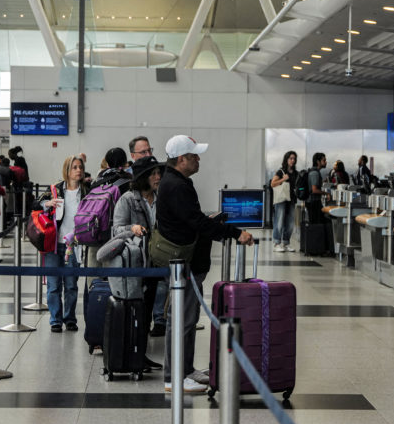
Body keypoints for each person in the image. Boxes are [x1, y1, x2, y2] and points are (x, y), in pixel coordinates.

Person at [158, 135, 253, 393]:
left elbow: (192, 219)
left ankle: (185, 369)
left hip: (188, 261)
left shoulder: (177, 182)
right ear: (181, 159)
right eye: (194, 155)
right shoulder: (176, 186)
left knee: (187, 319)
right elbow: (196, 223)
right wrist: (234, 233)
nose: (199, 159)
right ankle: (173, 377)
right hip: (183, 263)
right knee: (180, 320)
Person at [110, 155, 164, 370]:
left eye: (159, 173)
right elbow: (116, 229)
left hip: (154, 262)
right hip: (134, 263)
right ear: (143, 177)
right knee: (136, 311)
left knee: (148, 309)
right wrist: (132, 228)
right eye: (153, 173)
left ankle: (140, 354)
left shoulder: (160, 197)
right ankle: (133, 355)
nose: (158, 177)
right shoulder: (127, 200)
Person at [38, 155, 86, 333]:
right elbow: (36, 204)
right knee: (53, 285)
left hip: (74, 244)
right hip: (54, 243)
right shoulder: (56, 189)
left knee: (72, 284)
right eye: (74, 167)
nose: (78, 170)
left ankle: (70, 318)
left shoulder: (86, 190)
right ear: (67, 170)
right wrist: (47, 203)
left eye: (80, 167)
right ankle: (55, 320)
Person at [270, 150, 298, 253]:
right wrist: (283, 179)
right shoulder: (281, 171)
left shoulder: (295, 173)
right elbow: (273, 184)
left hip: (291, 199)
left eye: (294, 159)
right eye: (290, 158)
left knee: (290, 222)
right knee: (279, 220)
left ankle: (286, 243)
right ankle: (277, 243)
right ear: (286, 159)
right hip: (281, 199)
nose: (292, 160)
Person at [305, 152, 327, 223]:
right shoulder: (315, 173)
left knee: (315, 224)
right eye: (324, 160)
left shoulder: (314, 172)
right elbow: (314, 190)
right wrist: (326, 193)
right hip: (313, 203)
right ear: (318, 162)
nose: (326, 162)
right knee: (316, 224)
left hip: (312, 202)